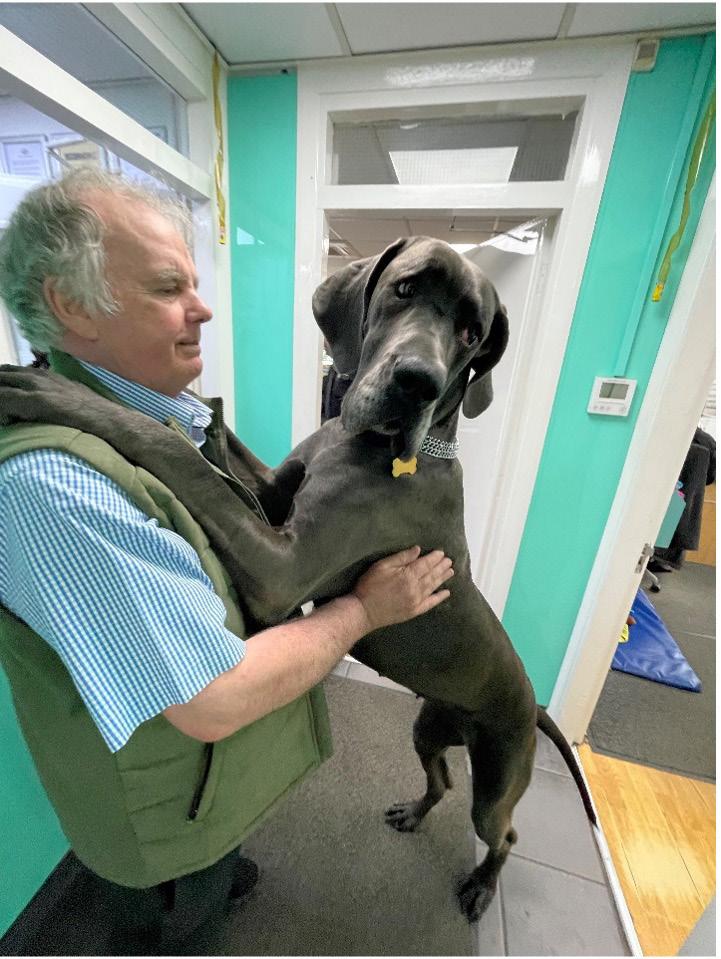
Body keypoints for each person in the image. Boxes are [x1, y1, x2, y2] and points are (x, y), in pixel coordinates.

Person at [0, 167, 454, 955]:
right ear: (71, 305)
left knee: (214, 867)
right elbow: (212, 701)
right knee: (179, 923)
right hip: (165, 811)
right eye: (167, 287)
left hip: (208, 781)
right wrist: (364, 610)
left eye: (194, 284)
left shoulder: (156, 417)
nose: (202, 307)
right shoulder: (53, 485)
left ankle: (215, 866)